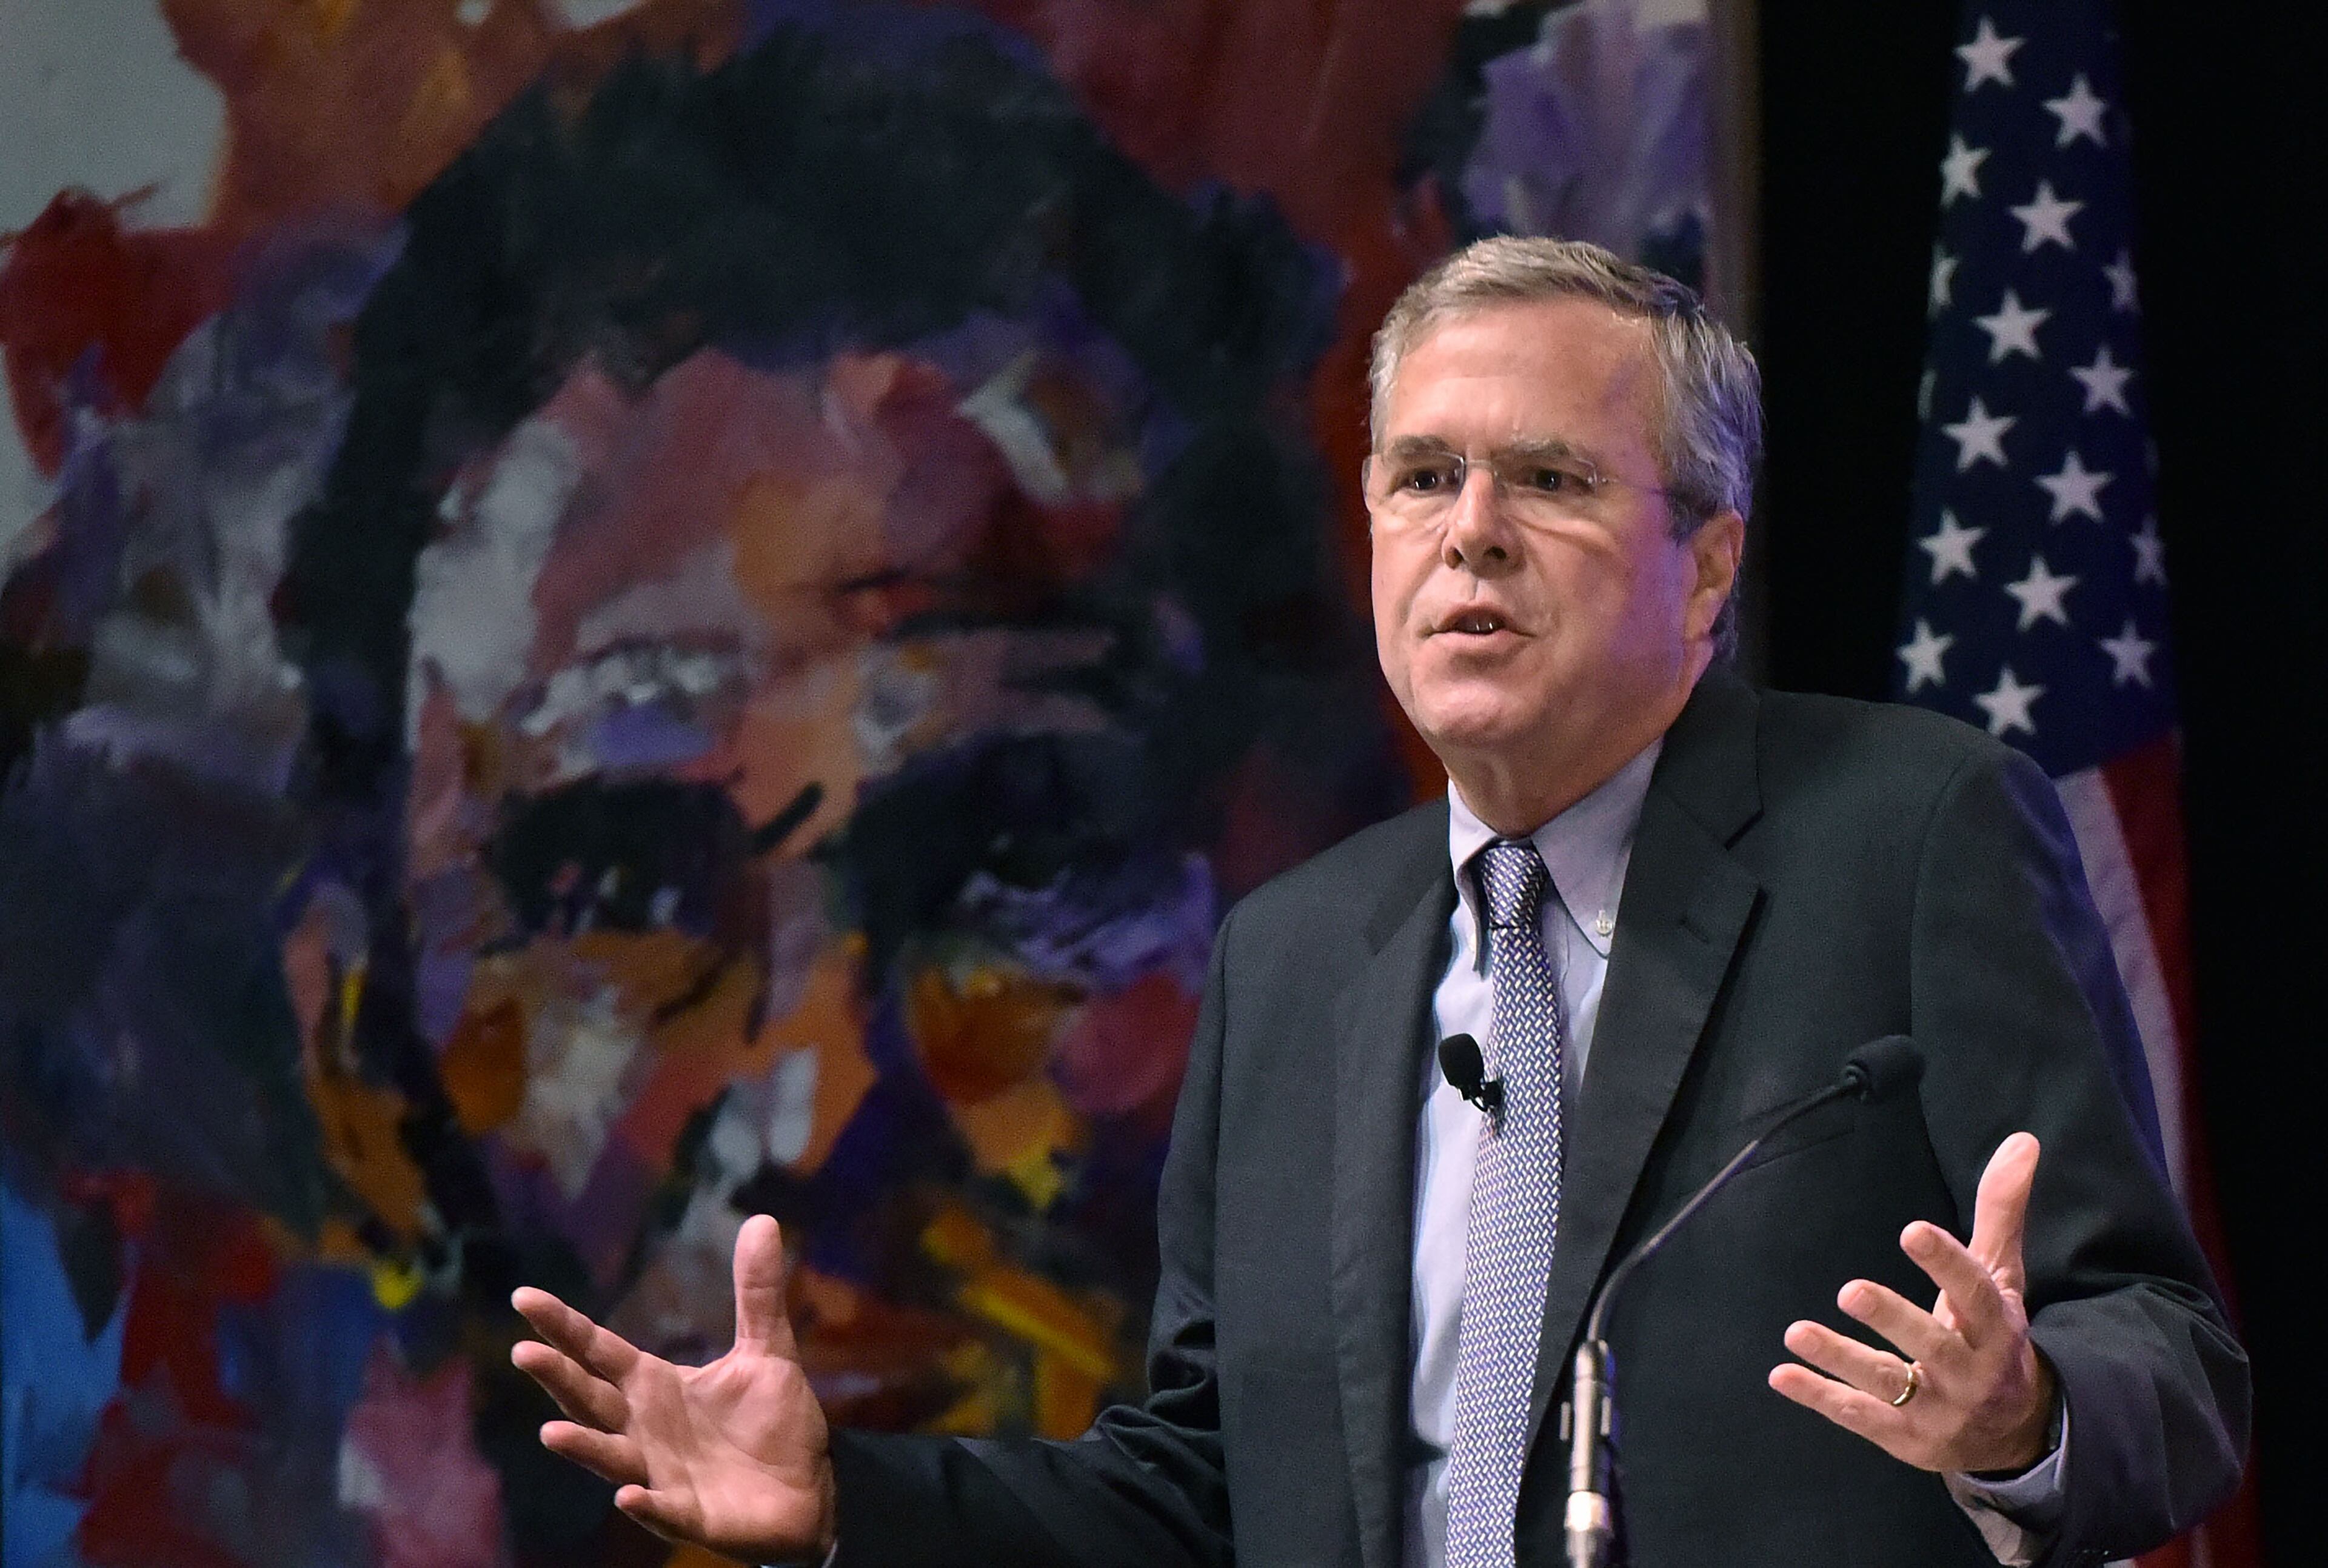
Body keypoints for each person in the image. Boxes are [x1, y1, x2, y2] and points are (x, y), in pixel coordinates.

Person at [510, 238, 2247, 1568]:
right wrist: (840, 1502)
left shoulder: (1913, 829)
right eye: (1423, 477)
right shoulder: (1292, 960)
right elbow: (1203, 1482)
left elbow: (2166, 1352)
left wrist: (2022, 1417)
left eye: (1550, 479)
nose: (1468, 532)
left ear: (1707, 562)